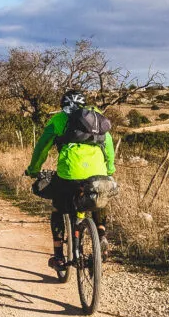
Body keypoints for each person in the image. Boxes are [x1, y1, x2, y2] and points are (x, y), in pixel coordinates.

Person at [25, 91, 115, 270]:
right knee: (97, 199)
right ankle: (101, 233)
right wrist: (110, 169)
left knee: (58, 208)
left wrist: (34, 169)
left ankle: (58, 256)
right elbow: (109, 147)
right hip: (99, 171)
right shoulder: (97, 119)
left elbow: (42, 148)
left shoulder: (58, 120)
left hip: (69, 174)